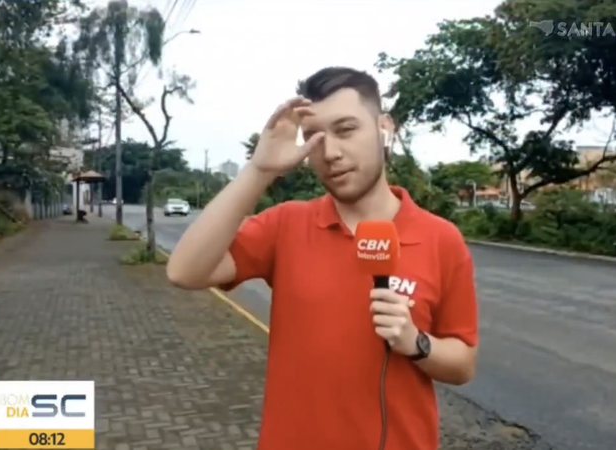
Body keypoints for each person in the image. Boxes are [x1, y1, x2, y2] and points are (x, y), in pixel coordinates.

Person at [167, 67, 479, 450]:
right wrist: (259, 170)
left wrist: (416, 342)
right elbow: (184, 271)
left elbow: (463, 364)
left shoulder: (442, 239)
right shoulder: (286, 224)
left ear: (384, 127)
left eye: (346, 130)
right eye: (314, 138)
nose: (330, 153)